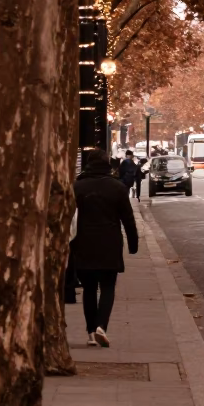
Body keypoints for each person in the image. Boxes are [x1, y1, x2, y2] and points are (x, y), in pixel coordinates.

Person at [71, 149, 139, 348]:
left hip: (83, 243)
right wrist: (133, 244)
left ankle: (91, 332)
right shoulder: (116, 187)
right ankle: (102, 325)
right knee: (108, 287)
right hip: (109, 242)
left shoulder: (77, 187)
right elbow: (128, 219)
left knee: (89, 289)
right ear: (107, 164)